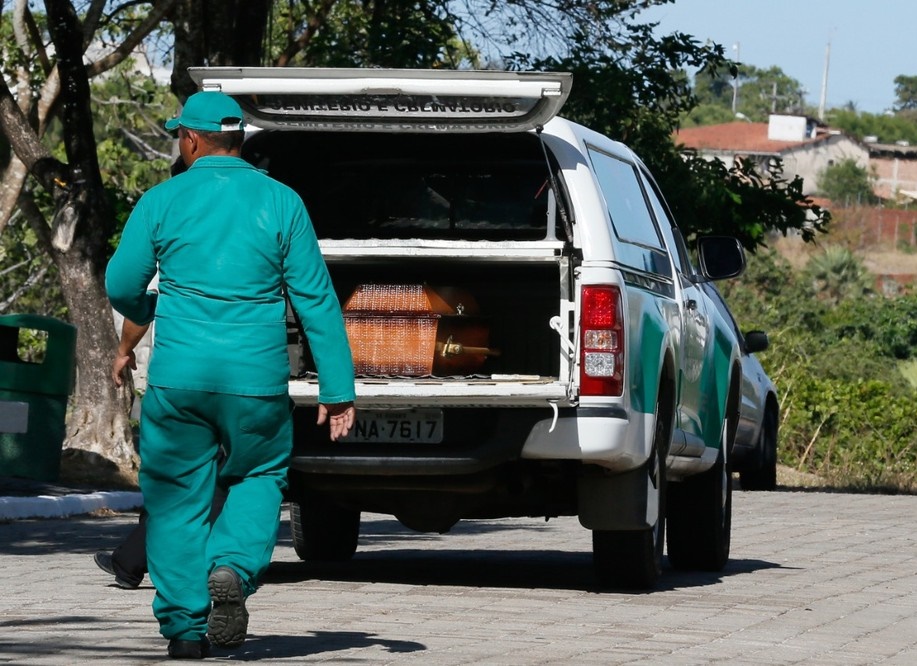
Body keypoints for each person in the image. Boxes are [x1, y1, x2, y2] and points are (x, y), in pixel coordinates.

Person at [105, 91, 356, 660]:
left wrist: (147, 312)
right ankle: (233, 567)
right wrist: (338, 389)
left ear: (190, 140)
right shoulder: (283, 201)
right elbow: (315, 300)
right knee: (259, 475)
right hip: (255, 381)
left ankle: (184, 630)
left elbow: (121, 284)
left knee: (176, 497)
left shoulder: (162, 200)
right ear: (240, 139)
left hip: (179, 379)